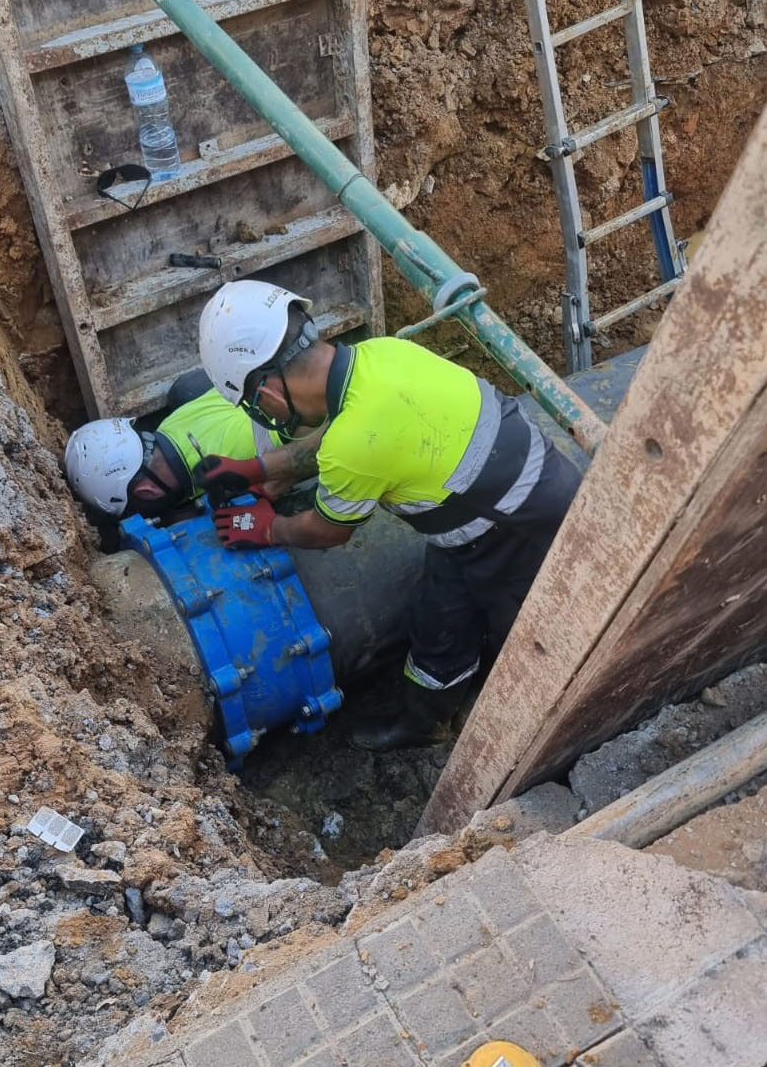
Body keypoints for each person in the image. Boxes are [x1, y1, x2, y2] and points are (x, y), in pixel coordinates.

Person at [196, 279, 582, 752]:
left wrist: (269, 528)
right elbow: (342, 435)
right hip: (499, 505)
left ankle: (542, 740)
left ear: (269, 396)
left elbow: (327, 530)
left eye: (255, 406)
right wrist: (255, 469)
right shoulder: (378, 354)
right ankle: (425, 723)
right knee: (439, 616)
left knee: (530, 641)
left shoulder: (354, 446)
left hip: (522, 531)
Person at [63, 368, 312, 523]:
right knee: (185, 390)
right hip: (299, 376)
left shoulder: (242, 467)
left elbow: (319, 440)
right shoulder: (169, 426)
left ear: (146, 492)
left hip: (314, 416)